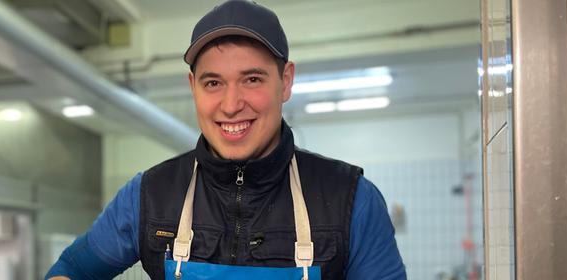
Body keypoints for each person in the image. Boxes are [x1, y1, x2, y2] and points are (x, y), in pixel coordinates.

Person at [45, 1, 405, 279]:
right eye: (213, 83)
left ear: (286, 81)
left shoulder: (351, 199)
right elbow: (71, 269)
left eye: (252, 79)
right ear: (193, 89)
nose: (231, 106)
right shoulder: (149, 196)